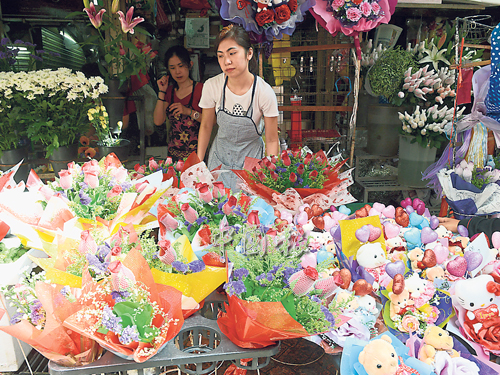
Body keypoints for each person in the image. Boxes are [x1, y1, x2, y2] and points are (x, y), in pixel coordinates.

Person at [197, 24, 279, 192]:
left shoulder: (264, 92)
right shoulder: (212, 86)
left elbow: (271, 139)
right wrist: (198, 163)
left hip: (252, 163)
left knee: (249, 211)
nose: (227, 61)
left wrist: (270, 175)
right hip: (219, 158)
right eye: (221, 56)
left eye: (232, 53)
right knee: (215, 208)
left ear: (249, 53)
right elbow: (205, 126)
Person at [154, 45, 203, 161]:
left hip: (196, 155)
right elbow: (157, 121)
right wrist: (162, 91)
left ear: (190, 65)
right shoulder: (169, 92)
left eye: (181, 66)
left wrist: (188, 112)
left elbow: (211, 121)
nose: (177, 72)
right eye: (172, 68)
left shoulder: (200, 89)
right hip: (173, 154)